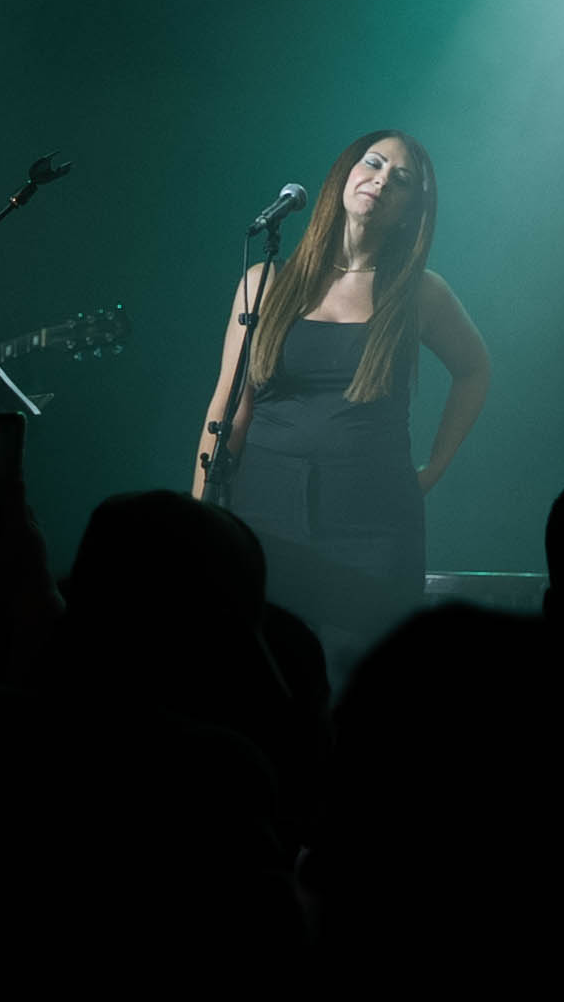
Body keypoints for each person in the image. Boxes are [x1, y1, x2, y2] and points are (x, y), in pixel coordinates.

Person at [194, 130, 491, 656]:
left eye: (401, 179)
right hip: (264, 509)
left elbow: (474, 370)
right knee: (263, 669)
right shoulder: (265, 281)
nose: (382, 180)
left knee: (358, 676)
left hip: (372, 521)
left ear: (411, 211)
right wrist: (198, 518)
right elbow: (228, 406)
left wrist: (434, 467)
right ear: (344, 175)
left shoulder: (420, 292)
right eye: (373, 163)